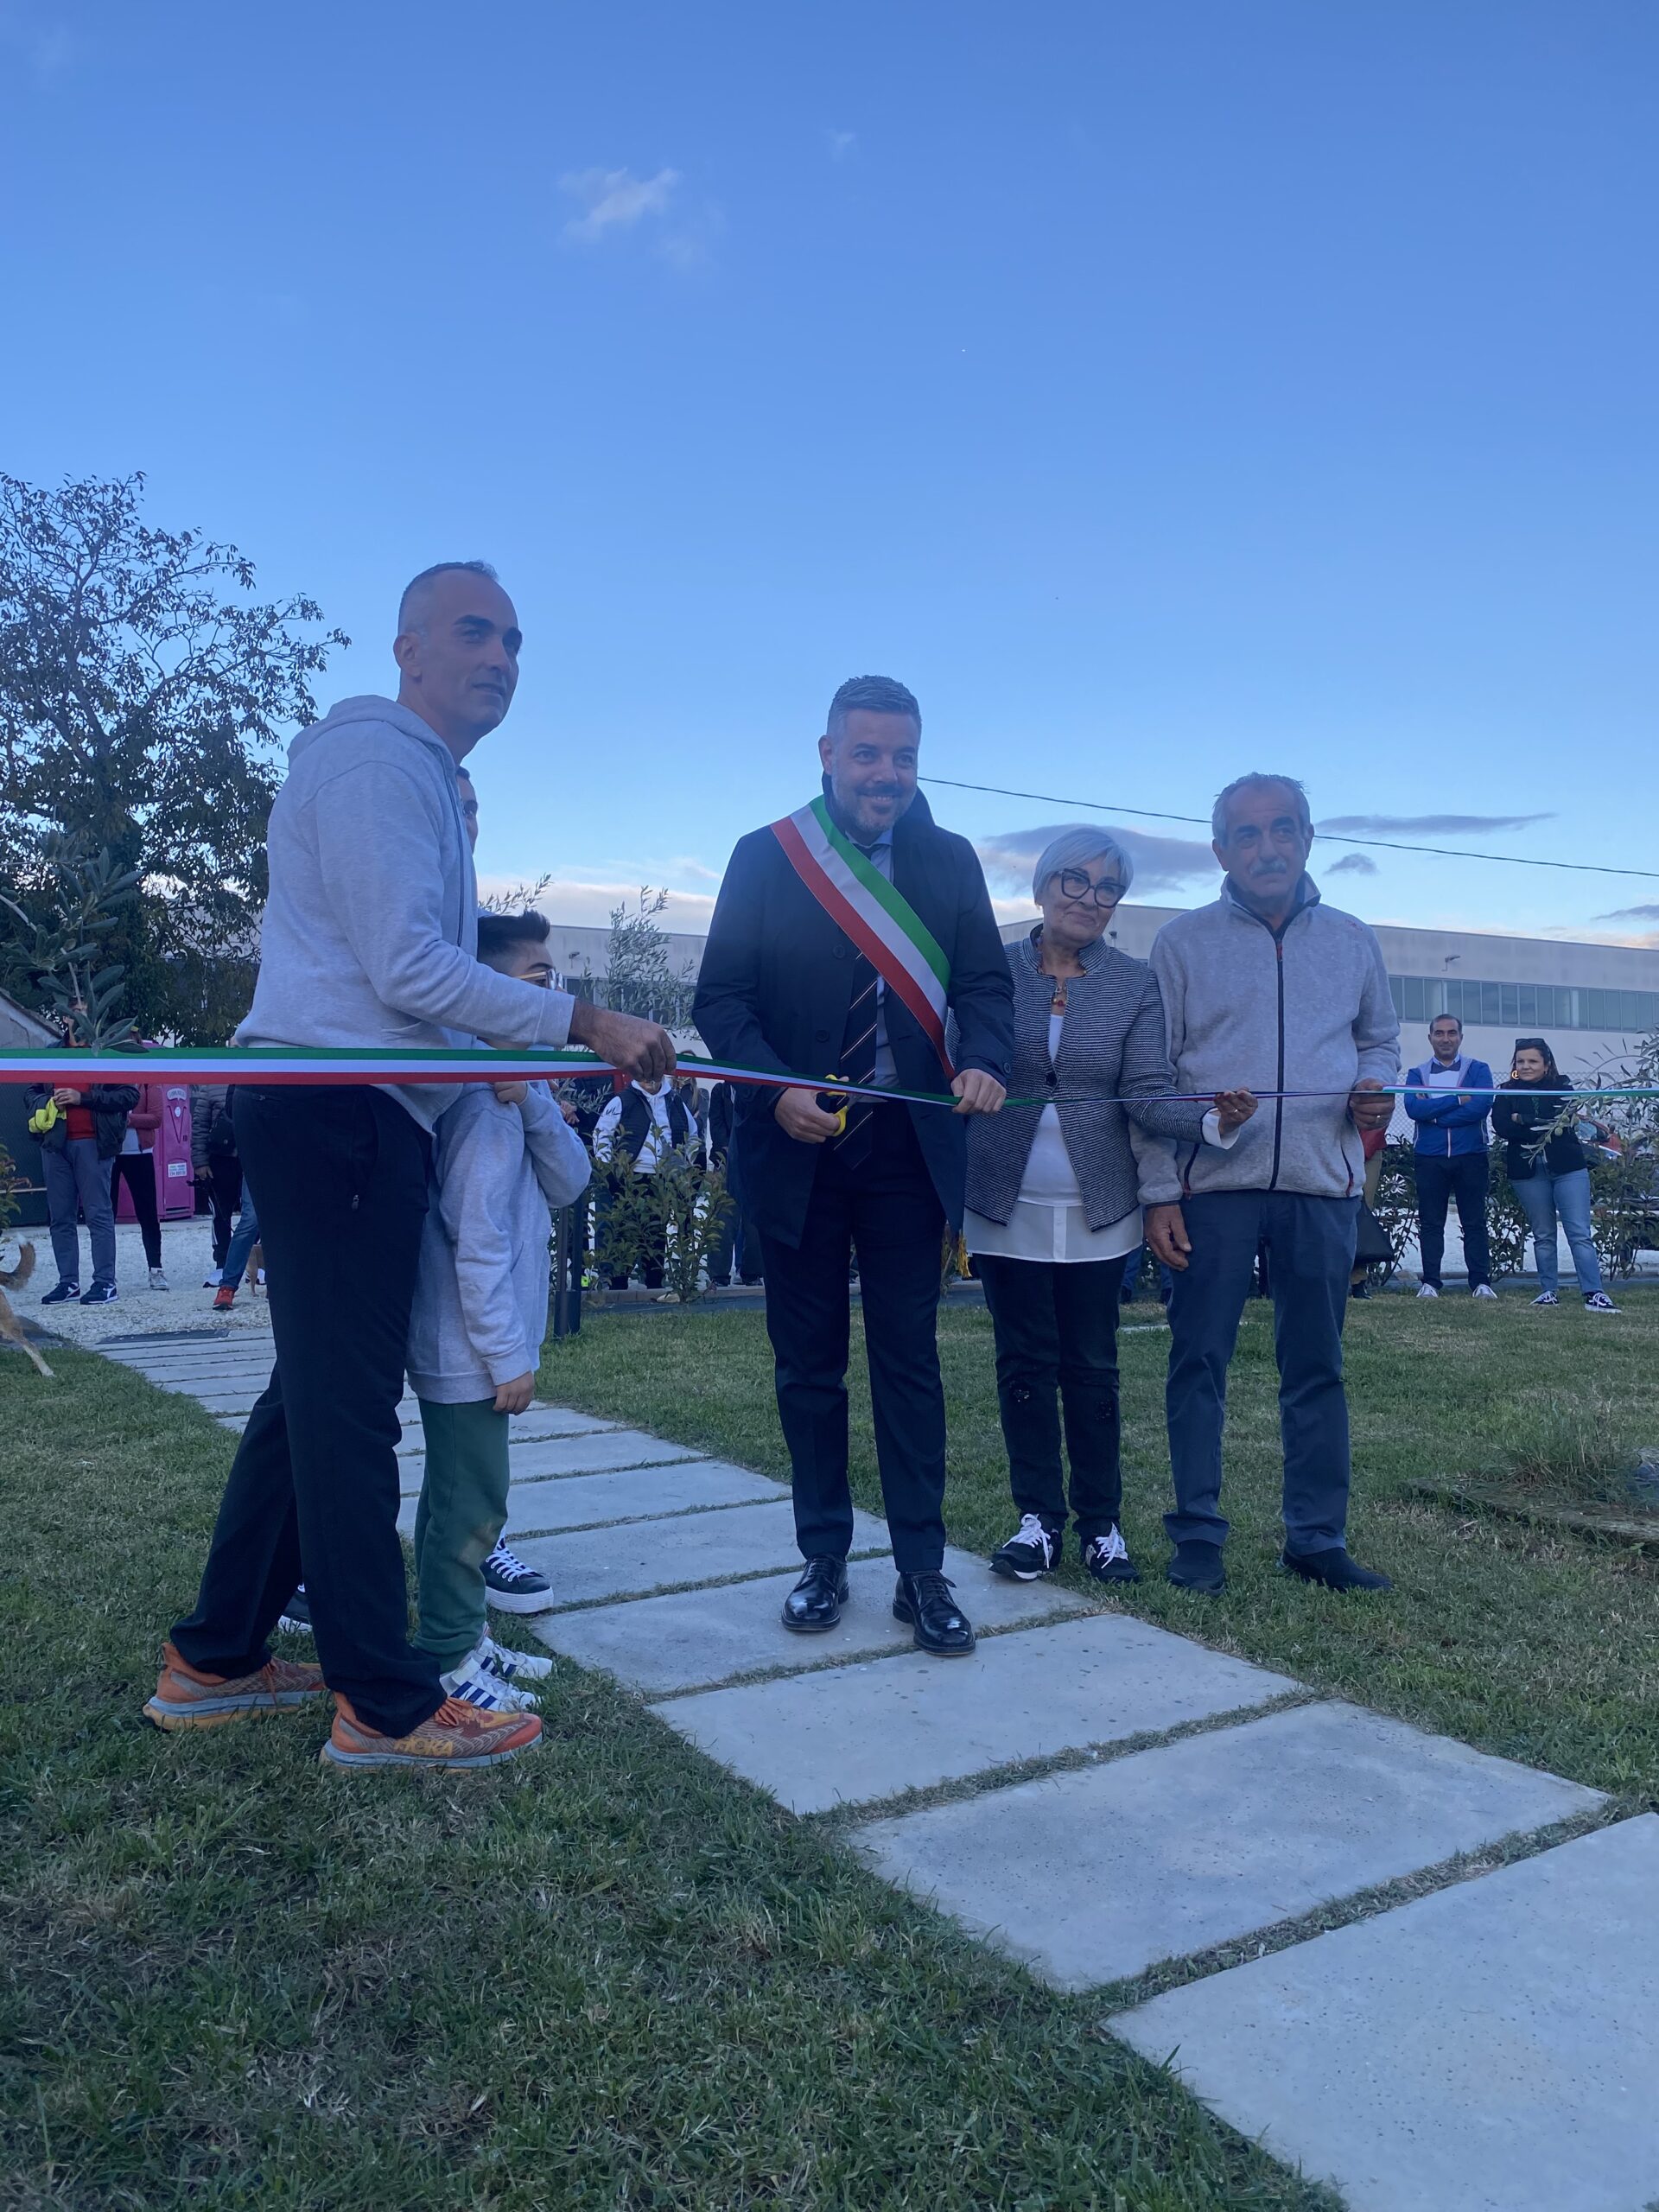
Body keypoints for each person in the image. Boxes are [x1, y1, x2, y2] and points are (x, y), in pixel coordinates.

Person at [143, 561, 672, 1770]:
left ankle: (215, 1657)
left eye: (515, 642)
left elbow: (405, 975)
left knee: (309, 1396)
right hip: (338, 1107)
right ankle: (383, 1705)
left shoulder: (411, 769)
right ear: (408, 649)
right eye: (474, 632)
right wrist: (582, 1021)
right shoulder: (381, 758)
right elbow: (408, 969)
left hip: (348, 1107)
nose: (501, 658)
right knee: (344, 1410)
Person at [694, 673, 1014, 1656]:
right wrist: (773, 1090)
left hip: (906, 1155)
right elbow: (721, 1000)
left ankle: (923, 1569)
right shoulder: (766, 855)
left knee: (909, 1363)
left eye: (903, 757)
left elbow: (986, 985)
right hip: (796, 1151)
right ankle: (823, 1556)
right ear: (828, 753)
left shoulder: (950, 860)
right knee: (809, 1366)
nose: (887, 774)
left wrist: (985, 1059)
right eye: (867, 753)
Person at [964, 830, 1256, 1585]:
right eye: (1075, 881)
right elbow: (953, 1063)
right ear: (1041, 886)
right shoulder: (987, 970)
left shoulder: (1134, 983)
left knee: (1093, 1365)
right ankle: (1037, 1521)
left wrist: (1212, 1119)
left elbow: (1147, 1092)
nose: (1090, 899)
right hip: (1000, 1202)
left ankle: (1102, 1525)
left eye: (1107, 889)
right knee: (1022, 1362)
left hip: (1099, 1210)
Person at [1146, 772, 1400, 1596]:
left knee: (1317, 1367)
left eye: (1283, 829)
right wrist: (1159, 1191)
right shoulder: (1180, 943)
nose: (1267, 848)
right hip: (1212, 1190)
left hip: (1322, 1188)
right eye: (1248, 834)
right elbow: (1149, 1080)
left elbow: (1379, 1041)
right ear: (1221, 850)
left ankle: (1316, 1540)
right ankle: (1197, 1534)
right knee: (1198, 1361)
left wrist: (1373, 1086)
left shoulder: (1354, 940)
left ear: (1308, 838)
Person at [405, 908, 594, 1702]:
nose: (553, 1001)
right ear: (484, 995)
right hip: (469, 1349)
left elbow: (571, 1180)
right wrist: (506, 1356)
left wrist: (535, 1103)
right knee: (470, 1503)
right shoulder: (481, 1105)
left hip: (476, 1346)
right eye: (537, 983)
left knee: (462, 1494)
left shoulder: (513, 1094)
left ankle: (463, 1637)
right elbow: (475, 1244)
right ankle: (448, 1659)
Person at [1492, 1038, 1618, 1312]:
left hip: (1568, 1169)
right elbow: (1501, 1127)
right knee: (1543, 1234)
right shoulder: (1506, 1091)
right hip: (1527, 1172)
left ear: (1546, 1064)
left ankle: (1594, 1293)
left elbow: (1559, 1119)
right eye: (1520, 1061)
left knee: (1579, 1233)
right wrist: (1532, 1124)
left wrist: (1521, 1118)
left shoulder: (1562, 1087)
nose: (1526, 1066)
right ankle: (1548, 1292)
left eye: (1532, 1061)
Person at [26, 1011, 137, 1307]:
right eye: (75, 1010)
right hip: (55, 1143)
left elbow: (129, 1096)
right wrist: (46, 1102)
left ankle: (105, 1282)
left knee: (97, 1213)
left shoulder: (108, 1052)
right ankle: (68, 1282)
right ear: (66, 1017)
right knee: (60, 1216)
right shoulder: (52, 1053)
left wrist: (82, 1098)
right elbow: (30, 1092)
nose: (81, 1015)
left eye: (86, 1009)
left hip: (92, 1143)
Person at [1404, 1014, 1496, 1300]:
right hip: (1429, 1157)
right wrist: (1456, 1099)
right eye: (1440, 1033)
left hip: (1471, 1155)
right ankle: (1431, 1282)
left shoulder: (1479, 1070)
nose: (1446, 1038)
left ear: (1461, 1037)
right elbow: (1413, 1109)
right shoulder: (1416, 1073)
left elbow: (1481, 1106)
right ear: (1430, 1037)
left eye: (1452, 1033)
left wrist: (1436, 1116)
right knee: (1431, 1222)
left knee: (1474, 1221)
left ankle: (1480, 1282)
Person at [593, 1074, 696, 1289]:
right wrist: (610, 1172)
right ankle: (618, 1285)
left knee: (657, 1233)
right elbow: (602, 1135)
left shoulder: (675, 1102)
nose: (650, 1080)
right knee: (624, 1233)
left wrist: (690, 1168)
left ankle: (654, 1283)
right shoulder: (621, 1101)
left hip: (662, 1179)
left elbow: (693, 1135)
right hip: (629, 1178)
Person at [111, 1073, 168, 1290]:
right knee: (106, 1214)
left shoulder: (148, 1081)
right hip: (109, 1152)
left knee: (148, 1213)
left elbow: (156, 1118)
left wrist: (126, 1119)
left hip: (140, 1153)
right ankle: (107, 1273)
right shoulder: (107, 1077)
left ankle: (156, 1268)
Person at [706, 1079, 763, 1287]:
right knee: (723, 1220)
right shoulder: (720, 1091)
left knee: (754, 1222)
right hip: (725, 1162)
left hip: (753, 1160)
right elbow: (716, 1125)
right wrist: (727, 1150)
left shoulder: (757, 1091)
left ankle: (752, 1272)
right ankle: (718, 1274)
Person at [191, 1079, 242, 1282]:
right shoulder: (211, 1086)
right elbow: (200, 1125)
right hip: (220, 1158)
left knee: (255, 1213)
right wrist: (200, 1162)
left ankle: (257, 1262)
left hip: (253, 1158)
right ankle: (222, 1262)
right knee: (220, 1213)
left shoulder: (258, 1079)